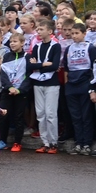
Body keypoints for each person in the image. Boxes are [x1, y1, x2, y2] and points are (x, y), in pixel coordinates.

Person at [27, 18, 61, 153]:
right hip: (38, 83)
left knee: (50, 113)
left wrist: (38, 66)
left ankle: (53, 142)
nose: (38, 32)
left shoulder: (55, 46)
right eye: (38, 29)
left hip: (51, 83)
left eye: (41, 29)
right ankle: (45, 142)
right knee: (40, 113)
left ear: (50, 31)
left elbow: (55, 65)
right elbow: (30, 65)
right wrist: (43, 64)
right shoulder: (37, 46)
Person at [63, 22, 96, 155]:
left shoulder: (91, 47)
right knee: (75, 116)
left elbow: (94, 68)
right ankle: (78, 142)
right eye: (73, 34)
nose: (74, 36)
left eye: (77, 33)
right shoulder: (69, 48)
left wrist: (93, 88)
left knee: (86, 115)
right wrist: (67, 84)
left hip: (85, 83)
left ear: (84, 33)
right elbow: (66, 68)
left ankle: (87, 143)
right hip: (72, 85)